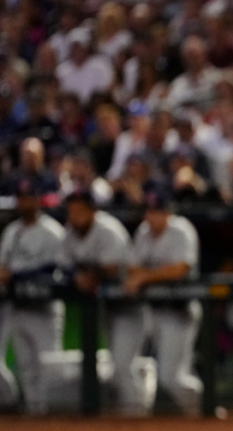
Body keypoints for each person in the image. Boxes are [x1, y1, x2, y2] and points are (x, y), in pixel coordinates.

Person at [121, 185, 203, 416]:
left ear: (167, 212)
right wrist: (145, 275)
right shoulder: (143, 232)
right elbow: (132, 267)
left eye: (157, 211)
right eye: (148, 210)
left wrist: (146, 276)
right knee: (138, 367)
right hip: (152, 311)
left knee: (171, 377)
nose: (151, 216)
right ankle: (191, 414)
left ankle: (206, 405)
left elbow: (179, 269)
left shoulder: (181, 230)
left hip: (179, 310)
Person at [57, 191, 138, 413]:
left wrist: (90, 275)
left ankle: (138, 418)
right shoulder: (70, 232)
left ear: (93, 210)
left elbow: (114, 267)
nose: (75, 216)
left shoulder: (108, 230)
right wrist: (77, 275)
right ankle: (129, 414)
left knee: (122, 367)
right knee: (117, 366)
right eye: (71, 211)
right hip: (106, 307)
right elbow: (63, 263)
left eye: (80, 211)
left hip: (130, 306)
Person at [0, 175, 65, 414]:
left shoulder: (52, 231)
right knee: (26, 367)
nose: (24, 202)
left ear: (38, 200)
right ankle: (34, 419)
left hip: (43, 309)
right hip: (18, 306)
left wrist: (15, 275)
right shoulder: (12, 231)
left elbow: (56, 270)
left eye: (28, 197)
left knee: (49, 367)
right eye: (21, 197)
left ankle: (54, 415)